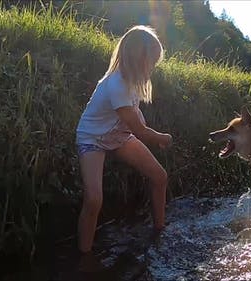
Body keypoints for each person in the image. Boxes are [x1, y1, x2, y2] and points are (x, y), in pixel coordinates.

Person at [75, 25, 172, 271]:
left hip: (119, 137)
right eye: (151, 62)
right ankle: (84, 256)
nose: (152, 68)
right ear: (138, 59)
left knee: (160, 177)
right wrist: (161, 138)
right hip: (93, 139)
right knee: (94, 198)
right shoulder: (116, 84)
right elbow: (139, 130)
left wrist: (147, 130)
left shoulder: (132, 81)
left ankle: (160, 229)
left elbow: (135, 116)